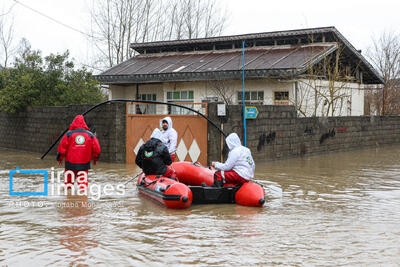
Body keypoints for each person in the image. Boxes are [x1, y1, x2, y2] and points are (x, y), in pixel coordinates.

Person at [57, 115, 101, 189]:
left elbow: (61, 149)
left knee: (68, 184)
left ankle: (68, 199)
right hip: (84, 165)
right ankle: (82, 199)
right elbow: (97, 149)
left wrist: (59, 159)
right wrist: (95, 159)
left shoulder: (68, 134)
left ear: (73, 123)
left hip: (70, 164)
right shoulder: (90, 135)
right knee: (83, 186)